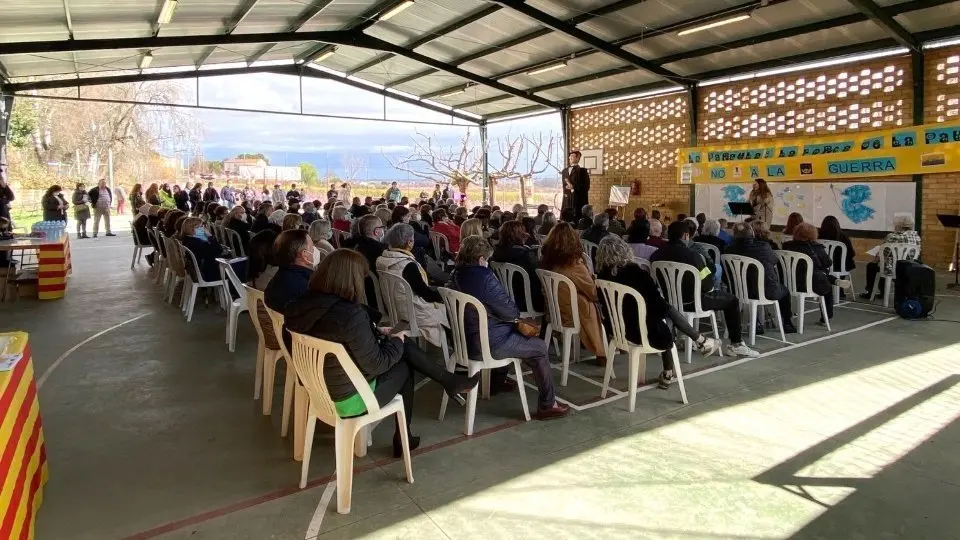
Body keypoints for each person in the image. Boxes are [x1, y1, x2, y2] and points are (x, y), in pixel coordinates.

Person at [284, 249, 479, 457]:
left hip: (319, 389)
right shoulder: (349, 315)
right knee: (404, 365)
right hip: (348, 399)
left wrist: (375, 332)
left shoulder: (299, 306)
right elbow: (377, 364)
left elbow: (337, 336)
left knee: (400, 347)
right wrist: (396, 341)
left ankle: (448, 382)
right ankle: (403, 436)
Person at [450, 235, 568, 420]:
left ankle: (497, 382)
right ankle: (547, 405)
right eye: (487, 260)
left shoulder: (455, 274)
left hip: (463, 342)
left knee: (508, 331)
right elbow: (510, 312)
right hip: (488, 344)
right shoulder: (484, 277)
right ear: (481, 259)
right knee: (539, 348)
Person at [595, 236, 720, 388]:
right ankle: (674, 367)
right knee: (667, 315)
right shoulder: (636, 273)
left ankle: (699, 343)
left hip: (618, 331)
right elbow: (658, 306)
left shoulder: (601, 276)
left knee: (666, 313)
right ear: (624, 250)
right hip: (643, 332)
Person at [651, 221, 761, 356]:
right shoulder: (693, 256)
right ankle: (736, 344)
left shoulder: (655, 255)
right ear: (686, 236)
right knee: (732, 301)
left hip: (669, 304)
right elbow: (708, 286)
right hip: (693, 302)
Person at [540, 223, 607, 363]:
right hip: (573, 315)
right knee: (600, 302)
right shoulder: (574, 265)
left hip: (554, 312)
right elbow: (594, 293)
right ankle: (604, 349)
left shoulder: (546, 262)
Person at [377, 223, 450, 347]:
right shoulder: (407, 265)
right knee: (452, 308)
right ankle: (456, 347)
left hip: (394, 308)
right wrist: (444, 295)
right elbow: (425, 294)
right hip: (412, 312)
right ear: (410, 242)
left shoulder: (382, 259)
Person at [723, 222, 798, 334]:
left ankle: (756, 323)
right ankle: (787, 323)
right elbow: (774, 261)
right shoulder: (764, 247)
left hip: (739, 291)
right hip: (767, 291)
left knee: (752, 285)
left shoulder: (728, 250)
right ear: (752, 233)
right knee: (785, 291)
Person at [782, 223, 853, 323]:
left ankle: (833, 280)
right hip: (810, 284)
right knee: (825, 284)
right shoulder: (817, 248)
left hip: (789, 282)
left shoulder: (787, 246)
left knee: (817, 273)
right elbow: (828, 263)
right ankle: (826, 317)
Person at [862, 214, 921, 299]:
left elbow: (884, 253)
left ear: (899, 225)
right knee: (884, 264)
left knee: (873, 266)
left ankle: (871, 292)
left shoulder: (892, 236)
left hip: (893, 269)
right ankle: (882, 292)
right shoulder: (917, 237)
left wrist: (876, 258)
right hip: (909, 268)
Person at [490, 221, 544, 313]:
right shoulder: (525, 255)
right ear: (521, 234)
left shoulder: (496, 254)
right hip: (528, 301)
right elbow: (538, 276)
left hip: (505, 299)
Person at [264, 229, 316, 310]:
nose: (315, 250)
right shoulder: (309, 287)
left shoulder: (277, 279)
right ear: (304, 255)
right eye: (312, 247)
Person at [180, 217, 227, 282]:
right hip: (208, 273)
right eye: (201, 226)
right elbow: (218, 250)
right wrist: (210, 236)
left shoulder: (187, 240)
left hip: (200, 270)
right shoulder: (198, 243)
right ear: (191, 228)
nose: (204, 229)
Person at [562, 150, 590, 221]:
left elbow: (586, 187)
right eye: (569, 156)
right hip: (567, 199)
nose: (569, 158)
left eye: (572, 156)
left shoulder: (583, 171)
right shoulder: (564, 171)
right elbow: (564, 185)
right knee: (566, 218)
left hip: (578, 199)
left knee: (577, 218)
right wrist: (566, 189)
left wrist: (573, 187)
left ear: (578, 158)